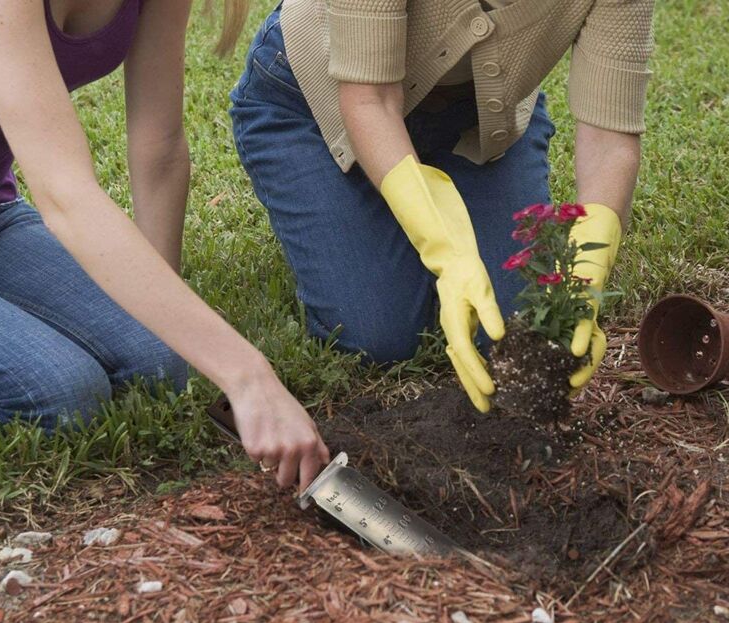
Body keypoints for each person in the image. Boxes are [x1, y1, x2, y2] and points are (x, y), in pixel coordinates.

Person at [0, 0, 328, 492]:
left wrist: (164, 326)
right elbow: (64, 194)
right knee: (57, 396)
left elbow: (159, 147)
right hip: (11, 209)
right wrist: (248, 375)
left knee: (158, 359)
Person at [230, 0, 655, 412]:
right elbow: (369, 99)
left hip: (478, 119)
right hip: (320, 98)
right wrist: (446, 252)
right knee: (381, 335)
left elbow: (609, 139)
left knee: (519, 327)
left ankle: (409, 207)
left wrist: (587, 268)